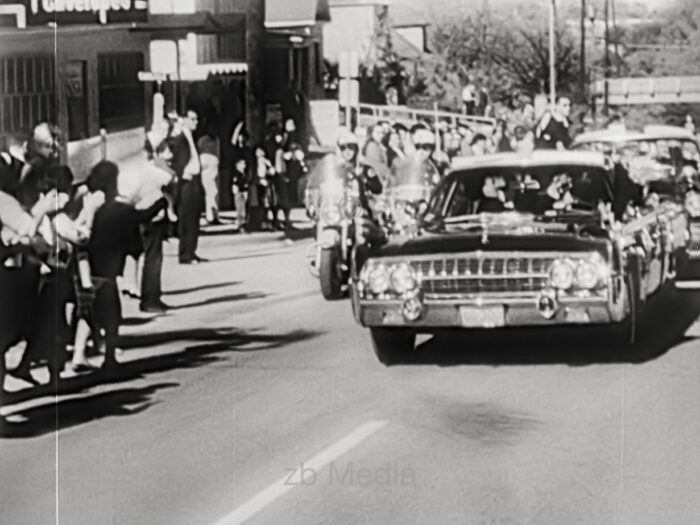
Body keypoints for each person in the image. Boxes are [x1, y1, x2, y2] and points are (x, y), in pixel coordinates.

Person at [85, 161, 167, 371]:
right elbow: (141, 217)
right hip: (106, 272)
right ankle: (108, 357)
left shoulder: (98, 206)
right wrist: (160, 203)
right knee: (111, 315)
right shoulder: (117, 209)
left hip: (89, 267)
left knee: (89, 314)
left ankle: (89, 351)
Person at [170, 110, 206, 265]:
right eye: (192, 119)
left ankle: (192, 251)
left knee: (194, 217)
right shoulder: (179, 139)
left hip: (196, 180)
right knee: (186, 218)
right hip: (186, 182)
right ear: (184, 120)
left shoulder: (192, 137)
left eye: (196, 119)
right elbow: (176, 160)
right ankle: (185, 253)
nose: (196, 122)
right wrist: (182, 173)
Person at [198, 132, 221, 225]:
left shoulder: (202, 139)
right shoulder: (215, 140)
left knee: (209, 192)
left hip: (205, 160)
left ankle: (211, 215)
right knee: (213, 192)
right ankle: (213, 215)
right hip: (213, 161)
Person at [232, 157, 250, 231]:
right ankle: (240, 224)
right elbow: (235, 184)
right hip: (240, 192)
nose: (244, 165)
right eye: (242, 163)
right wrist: (237, 192)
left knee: (244, 209)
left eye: (244, 163)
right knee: (240, 209)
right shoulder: (236, 174)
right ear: (237, 165)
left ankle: (244, 223)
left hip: (244, 192)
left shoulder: (244, 173)